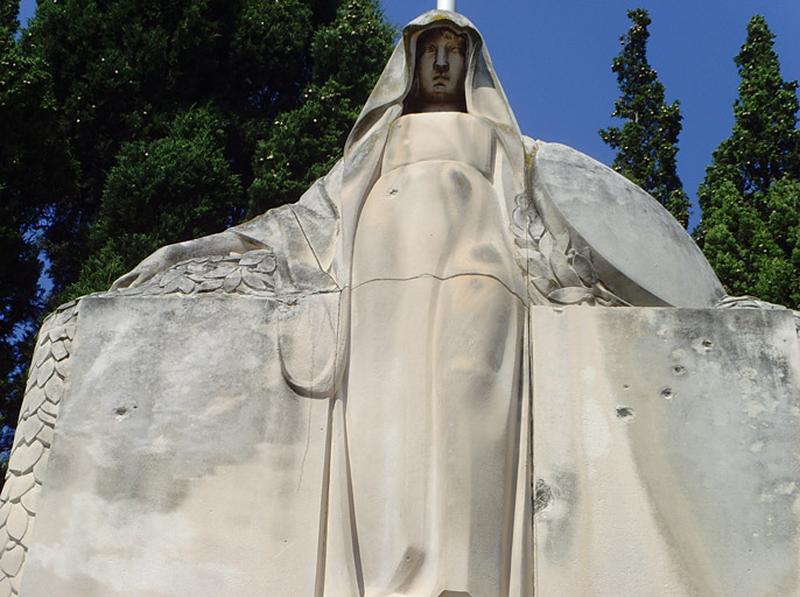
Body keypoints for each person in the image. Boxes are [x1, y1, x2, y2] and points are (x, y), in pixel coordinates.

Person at [111, 10, 733, 595]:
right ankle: (396, 575)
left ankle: (463, 576)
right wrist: (196, 252)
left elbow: (566, 243)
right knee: (390, 422)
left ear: (471, 67)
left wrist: (701, 307)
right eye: (429, 51)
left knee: (472, 407)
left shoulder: (499, 143)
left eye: (452, 53)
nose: (440, 63)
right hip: (383, 284)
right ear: (408, 64)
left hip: (482, 276)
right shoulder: (378, 146)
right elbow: (303, 224)